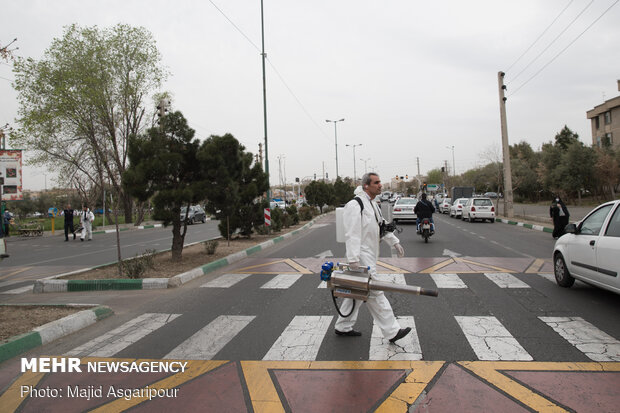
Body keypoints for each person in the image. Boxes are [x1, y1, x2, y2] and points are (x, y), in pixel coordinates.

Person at [334, 172, 411, 344]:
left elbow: (381, 225)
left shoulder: (372, 204)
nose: (380, 185)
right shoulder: (355, 205)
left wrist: (395, 242)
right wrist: (353, 259)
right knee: (375, 291)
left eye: (380, 182)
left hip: (368, 254)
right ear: (366, 185)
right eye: (376, 182)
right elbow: (352, 233)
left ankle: (343, 326)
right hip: (360, 256)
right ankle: (392, 331)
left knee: (356, 292)